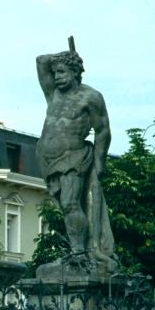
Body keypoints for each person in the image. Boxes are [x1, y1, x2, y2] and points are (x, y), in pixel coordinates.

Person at [35, 43, 118, 274]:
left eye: (62, 72)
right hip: (47, 159)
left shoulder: (91, 97)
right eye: (55, 72)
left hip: (74, 157)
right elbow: (41, 60)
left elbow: (103, 130)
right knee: (66, 207)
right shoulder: (53, 93)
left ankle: (79, 255)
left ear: (75, 72)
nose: (57, 77)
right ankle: (77, 250)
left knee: (71, 203)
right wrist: (65, 58)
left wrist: (100, 161)